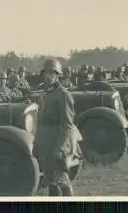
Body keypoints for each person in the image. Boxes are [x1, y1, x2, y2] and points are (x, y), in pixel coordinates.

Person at [33, 59, 79, 196]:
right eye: (45, 73)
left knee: (62, 180)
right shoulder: (45, 93)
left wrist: (60, 148)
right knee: (51, 181)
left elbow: (67, 124)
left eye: (50, 73)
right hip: (45, 144)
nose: (46, 76)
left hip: (57, 144)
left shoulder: (63, 95)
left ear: (57, 74)